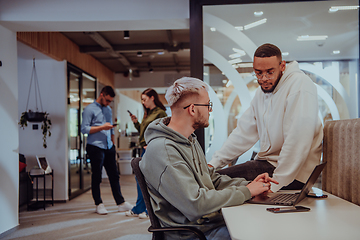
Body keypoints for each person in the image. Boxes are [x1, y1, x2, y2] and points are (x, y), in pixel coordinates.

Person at [140, 77, 278, 240]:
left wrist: (251, 185)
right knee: (259, 233)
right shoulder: (163, 151)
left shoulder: (189, 140)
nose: (210, 110)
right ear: (192, 109)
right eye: (208, 105)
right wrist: (246, 192)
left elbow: (212, 179)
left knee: (266, 224)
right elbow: (196, 204)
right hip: (192, 233)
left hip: (208, 223)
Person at [209, 43, 323, 193]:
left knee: (215, 183)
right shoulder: (260, 94)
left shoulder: (299, 85)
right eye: (258, 73)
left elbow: (298, 139)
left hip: (295, 174)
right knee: (214, 179)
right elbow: (242, 134)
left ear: (282, 66)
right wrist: (213, 164)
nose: (264, 79)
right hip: (268, 164)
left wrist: (276, 184)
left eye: (270, 72)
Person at [81, 86, 133, 215]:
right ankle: (98, 204)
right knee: (97, 176)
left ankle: (120, 203)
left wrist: (113, 142)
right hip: (95, 146)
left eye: (111, 101)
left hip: (109, 146)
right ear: (102, 94)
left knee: (114, 175)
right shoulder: (89, 109)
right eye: (108, 100)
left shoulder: (108, 110)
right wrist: (101, 127)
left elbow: (110, 128)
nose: (109, 103)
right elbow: (84, 129)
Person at [125, 88, 167, 219]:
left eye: (144, 99)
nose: (143, 102)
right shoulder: (148, 114)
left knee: (149, 180)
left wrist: (153, 144)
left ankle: (148, 210)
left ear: (152, 97)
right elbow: (144, 131)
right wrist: (136, 123)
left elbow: (163, 131)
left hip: (151, 150)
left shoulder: (160, 113)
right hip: (144, 149)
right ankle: (140, 208)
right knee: (141, 179)